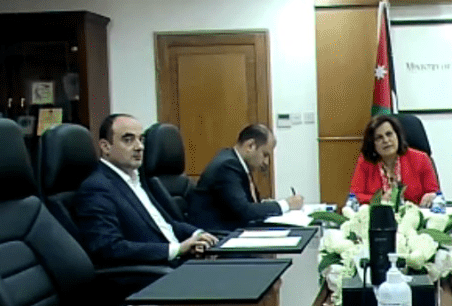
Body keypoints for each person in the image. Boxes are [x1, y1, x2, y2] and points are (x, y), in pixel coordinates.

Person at [75, 113, 217, 265]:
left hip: (180, 262)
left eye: (140, 139)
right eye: (128, 140)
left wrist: (198, 234)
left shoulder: (140, 179)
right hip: (155, 271)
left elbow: (166, 225)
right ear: (105, 146)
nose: (139, 147)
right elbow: (108, 247)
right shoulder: (96, 188)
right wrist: (177, 249)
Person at [188, 123, 303, 231]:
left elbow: (244, 205)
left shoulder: (236, 162)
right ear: (250, 146)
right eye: (265, 155)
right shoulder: (227, 166)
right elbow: (245, 211)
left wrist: (265, 204)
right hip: (218, 236)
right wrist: (286, 204)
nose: (266, 162)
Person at [349, 114, 440, 207]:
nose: (386, 140)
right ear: (372, 143)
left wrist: (430, 196)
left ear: (397, 135)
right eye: (379, 137)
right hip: (379, 213)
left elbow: (434, 193)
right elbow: (355, 196)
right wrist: (380, 199)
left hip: (415, 212)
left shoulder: (421, 159)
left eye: (389, 134)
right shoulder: (365, 162)